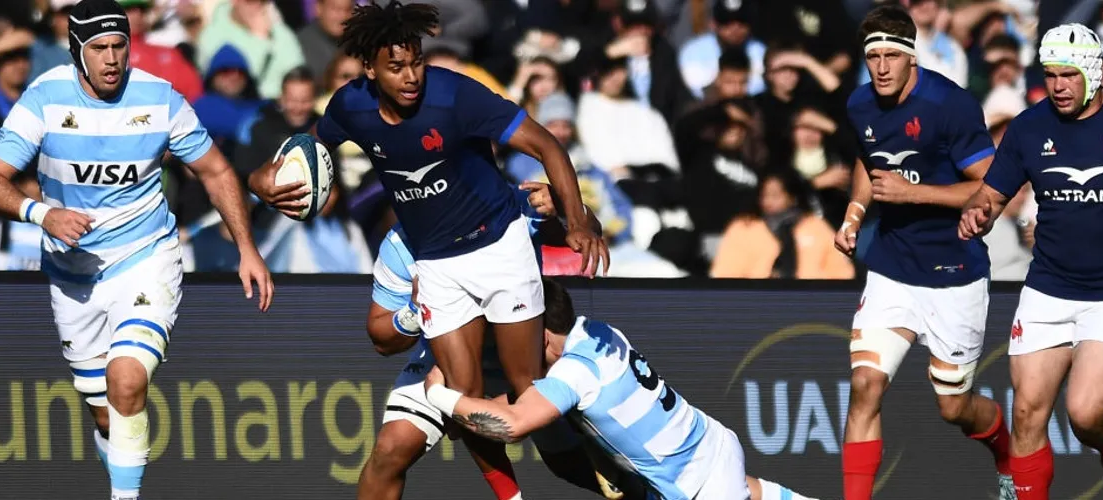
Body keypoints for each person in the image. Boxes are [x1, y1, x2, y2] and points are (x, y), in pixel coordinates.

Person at [246, 1, 609, 497]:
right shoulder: (349, 107)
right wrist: (260, 179)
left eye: (416, 60)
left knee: (528, 392)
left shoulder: (455, 96)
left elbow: (546, 144)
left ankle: (611, 476)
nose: (412, 74)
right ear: (369, 69)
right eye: (396, 67)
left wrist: (578, 218)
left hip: (500, 246)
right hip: (435, 263)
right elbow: (304, 152)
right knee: (460, 401)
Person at [0, 1, 273, 499]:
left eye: (119, 46)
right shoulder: (44, 99)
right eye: (100, 48)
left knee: (126, 378)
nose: (112, 58)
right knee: (108, 416)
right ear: (76, 53)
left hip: (145, 257)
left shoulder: (160, 98)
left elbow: (216, 170)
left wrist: (248, 248)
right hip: (73, 276)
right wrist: (44, 214)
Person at [959, 23, 1103, 500]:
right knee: (1026, 413)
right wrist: (977, 215)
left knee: (1085, 414)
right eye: (1050, 75)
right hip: (1047, 286)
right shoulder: (1029, 127)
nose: (1058, 86)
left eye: (1068, 75)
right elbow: (990, 194)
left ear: (1093, 73)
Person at [835, 5, 1013, 500]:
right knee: (865, 385)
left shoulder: (949, 105)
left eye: (893, 55)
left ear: (913, 57)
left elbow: (992, 187)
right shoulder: (860, 105)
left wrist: (915, 195)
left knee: (954, 408)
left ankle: (1004, 448)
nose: (883, 67)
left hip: (955, 273)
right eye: (874, 57)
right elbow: (865, 160)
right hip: (893, 269)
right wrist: (854, 210)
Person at [422, 278, 818, 500]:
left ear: (540, 335)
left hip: (697, 484)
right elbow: (524, 402)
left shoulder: (577, 373)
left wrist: (438, 394)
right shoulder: (596, 331)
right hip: (709, 448)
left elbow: (512, 424)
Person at [359, 182, 636, 500]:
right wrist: (413, 310)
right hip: (445, 356)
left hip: (523, 349)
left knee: (570, 464)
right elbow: (382, 340)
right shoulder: (399, 245)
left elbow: (586, 231)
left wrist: (571, 208)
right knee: (391, 449)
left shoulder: (509, 204)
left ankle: (642, 489)